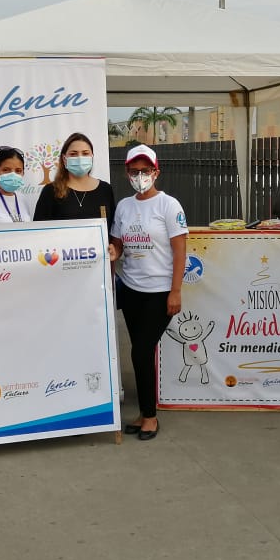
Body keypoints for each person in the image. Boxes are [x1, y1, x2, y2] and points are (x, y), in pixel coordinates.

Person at [111, 145, 187, 441]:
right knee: (140, 352)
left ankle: (151, 417)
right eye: (134, 171)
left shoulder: (169, 205)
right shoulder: (124, 206)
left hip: (160, 292)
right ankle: (144, 413)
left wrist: (175, 291)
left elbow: (180, 252)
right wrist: (112, 252)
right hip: (132, 289)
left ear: (156, 172)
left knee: (141, 351)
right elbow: (118, 244)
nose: (139, 176)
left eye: (145, 171)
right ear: (127, 173)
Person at [33, 132, 116, 228]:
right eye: (73, 154)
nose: (80, 158)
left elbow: (113, 228)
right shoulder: (51, 191)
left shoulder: (105, 189)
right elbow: (38, 230)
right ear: (64, 159)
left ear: (92, 157)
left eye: (85, 153)